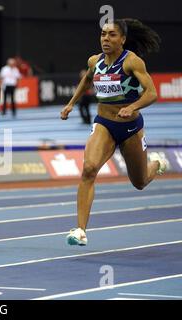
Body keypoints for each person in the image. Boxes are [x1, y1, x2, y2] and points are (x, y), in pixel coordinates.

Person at [60, 19, 166, 246]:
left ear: (123, 39)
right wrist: (71, 103)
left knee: (139, 182)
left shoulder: (132, 62)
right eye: (103, 34)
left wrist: (133, 107)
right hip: (104, 124)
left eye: (112, 35)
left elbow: (152, 93)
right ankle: (80, 230)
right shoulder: (94, 61)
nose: (106, 39)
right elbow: (87, 80)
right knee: (88, 169)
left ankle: (155, 163)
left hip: (130, 128)